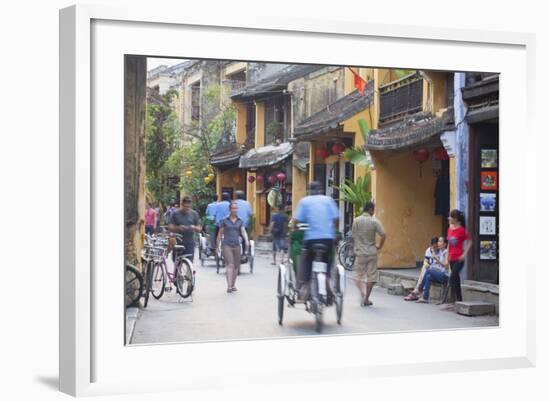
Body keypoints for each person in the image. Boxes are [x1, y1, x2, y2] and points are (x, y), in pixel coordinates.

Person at [294, 181, 339, 298]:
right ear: (321, 190)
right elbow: (335, 218)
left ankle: (306, 284)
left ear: (309, 191)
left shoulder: (304, 201)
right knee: (328, 259)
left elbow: (297, 220)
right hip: (327, 239)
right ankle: (328, 279)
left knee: (307, 259)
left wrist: (295, 230)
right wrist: (332, 230)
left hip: (311, 239)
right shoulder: (328, 200)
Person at [351, 201, 386, 306]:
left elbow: (354, 237)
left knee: (358, 276)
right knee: (371, 277)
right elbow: (383, 235)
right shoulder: (374, 221)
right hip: (371, 252)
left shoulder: (356, 221)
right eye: (373, 210)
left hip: (360, 253)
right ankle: (366, 299)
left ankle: (362, 292)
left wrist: (354, 249)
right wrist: (380, 246)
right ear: (370, 209)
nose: (373, 212)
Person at [217, 201, 249, 293]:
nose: (235, 210)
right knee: (230, 265)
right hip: (226, 245)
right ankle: (229, 286)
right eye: (233, 208)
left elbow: (243, 231)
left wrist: (246, 240)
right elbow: (220, 233)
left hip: (237, 245)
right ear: (230, 209)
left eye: (236, 208)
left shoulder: (240, 220)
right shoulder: (224, 220)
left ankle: (233, 284)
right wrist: (217, 246)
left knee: (236, 266)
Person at [444, 209, 472, 308]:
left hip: (459, 259)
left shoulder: (461, 230)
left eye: (450, 217)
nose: (449, 218)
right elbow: (448, 246)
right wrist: (446, 259)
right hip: (451, 258)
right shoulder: (450, 229)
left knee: (452, 277)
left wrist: (464, 255)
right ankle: (458, 301)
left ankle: (452, 301)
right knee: (456, 280)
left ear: (455, 219)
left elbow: (469, 242)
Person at [404, 236, 440, 301]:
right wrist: (426, 264)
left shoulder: (441, 251)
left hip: (436, 269)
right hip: (430, 268)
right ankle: (418, 291)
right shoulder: (429, 250)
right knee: (424, 268)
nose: (435, 248)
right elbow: (426, 260)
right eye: (433, 247)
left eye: (436, 247)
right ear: (431, 245)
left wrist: (435, 257)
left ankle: (417, 290)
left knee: (426, 270)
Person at [167, 196, 202, 263]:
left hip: (190, 242)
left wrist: (194, 227)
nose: (186, 209)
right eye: (185, 207)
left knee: (189, 262)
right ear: (182, 205)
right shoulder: (175, 214)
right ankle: (177, 273)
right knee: (176, 261)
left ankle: (188, 273)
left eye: (188, 207)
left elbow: (199, 228)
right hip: (178, 242)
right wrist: (178, 228)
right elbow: (170, 227)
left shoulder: (194, 214)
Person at [416, 237, 449, 303]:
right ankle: (425, 298)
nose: (438, 243)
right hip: (439, 274)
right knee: (428, 277)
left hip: (445, 275)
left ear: (445, 244)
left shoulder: (446, 252)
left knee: (428, 270)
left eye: (440, 241)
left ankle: (420, 288)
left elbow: (446, 266)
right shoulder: (441, 252)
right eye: (438, 242)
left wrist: (436, 259)